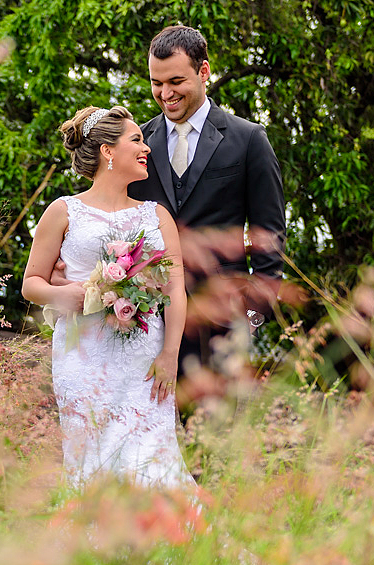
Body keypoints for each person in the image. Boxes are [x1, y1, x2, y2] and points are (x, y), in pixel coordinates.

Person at [22, 105, 195, 490]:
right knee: (94, 465)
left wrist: (170, 355)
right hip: (82, 359)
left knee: (154, 464)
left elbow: (175, 290)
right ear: (108, 151)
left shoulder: (157, 216)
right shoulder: (63, 211)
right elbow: (31, 283)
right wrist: (64, 294)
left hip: (144, 363)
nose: (146, 148)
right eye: (137, 140)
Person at [130, 24, 286, 375]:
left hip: (222, 322)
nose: (165, 94)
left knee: (214, 413)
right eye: (156, 83)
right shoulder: (138, 143)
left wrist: (253, 315)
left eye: (176, 81)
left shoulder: (249, 139)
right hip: (146, 320)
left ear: (204, 71)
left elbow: (269, 233)